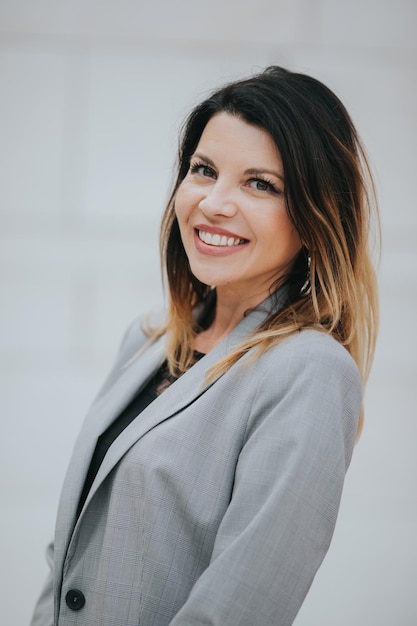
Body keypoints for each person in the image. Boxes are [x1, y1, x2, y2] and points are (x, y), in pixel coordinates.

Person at [31, 66, 379, 626]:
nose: (214, 203)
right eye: (204, 170)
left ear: (316, 216)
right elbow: (69, 558)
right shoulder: (148, 340)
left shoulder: (309, 371)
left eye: (259, 183)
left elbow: (241, 606)